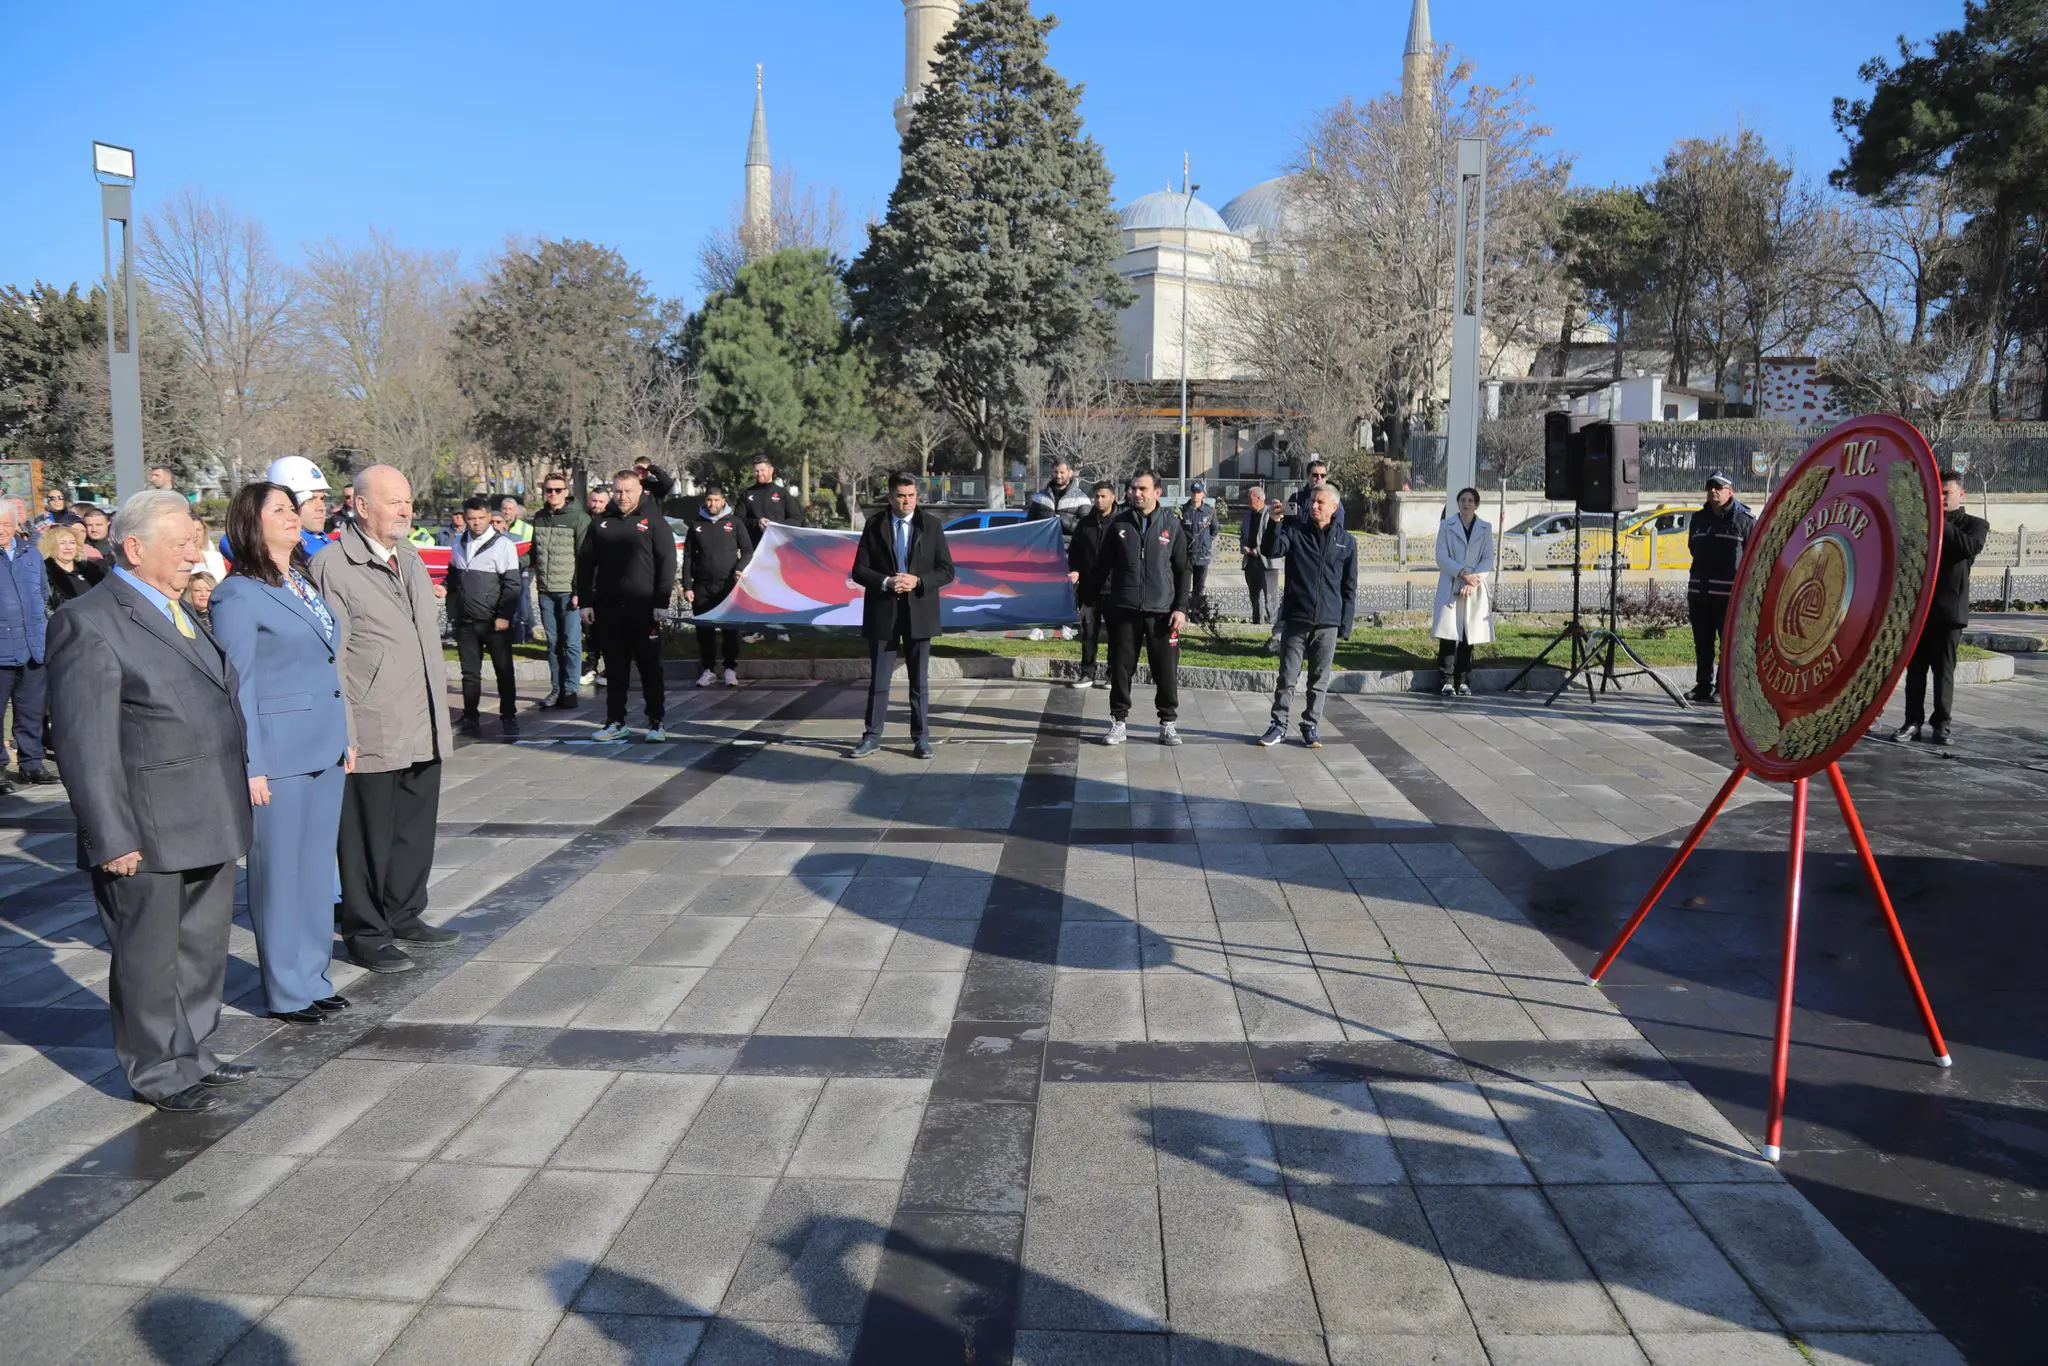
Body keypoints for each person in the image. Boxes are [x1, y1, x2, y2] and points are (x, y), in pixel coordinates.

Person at [48, 490, 256, 1112]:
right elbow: (84, 745)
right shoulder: (87, 621)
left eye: (196, 540)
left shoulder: (178, 608)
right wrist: (111, 835)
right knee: (148, 958)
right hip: (147, 825)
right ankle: (158, 1071)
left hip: (208, 812)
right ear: (134, 548)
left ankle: (192, 1052)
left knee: (201, 948)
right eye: (183, 544)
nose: (197, 554)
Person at [209, 482, 352, 1026]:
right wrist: (253, 764)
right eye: (280, 510)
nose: (294, 517)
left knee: (317, 872)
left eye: (295, 509)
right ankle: (287, 988)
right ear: (251, 522)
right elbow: (238, 685)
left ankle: (315, 975)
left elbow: (326, 665)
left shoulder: (302, 579)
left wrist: (346, 738)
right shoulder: (237, 594)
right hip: (278, 755)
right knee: (278, 878)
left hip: (325, 747)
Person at [308, 465, 458, 975]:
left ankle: (404, 911)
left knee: (414, 830)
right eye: (394, 501)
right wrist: (343, 732)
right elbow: (334, 657)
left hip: (423, 720)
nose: (405, 510)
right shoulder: (333, 565)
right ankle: (366, 931)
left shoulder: (411, 558)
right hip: (372, 726)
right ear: (361, 506)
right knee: (366, 837)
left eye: (408, 501)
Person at [850, 474, 955, 759]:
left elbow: (947, 570)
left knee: (919, 682)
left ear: (917, 496)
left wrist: (918, 581)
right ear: (890, 497)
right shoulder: (874, 525)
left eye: (910, 495)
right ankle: (871, 737)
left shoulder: (931, 525)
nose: (905, 501)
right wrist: (886, 581)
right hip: (883, 613)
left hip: (919, 613)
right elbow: (859, 570)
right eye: (900, 495)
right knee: (879, 681)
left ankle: (921, 738)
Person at [1086, 469, 1191, 747]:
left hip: (1162, 613)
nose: (1136, 493)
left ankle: (1167, 723)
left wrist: (1180, 608)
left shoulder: (1172, 524)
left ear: (1157, 492)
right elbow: (1101, 568)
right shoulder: (1119, 524)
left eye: (1142, 489)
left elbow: (1183, 570)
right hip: (1124, 610)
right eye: (1133, 488)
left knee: (1165, 671)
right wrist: (1087, 600)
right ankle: (1119, 722)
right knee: (1120, 669)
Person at [579, 468, 677, 743]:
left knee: (649, 667)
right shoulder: (601, 523)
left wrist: (662, 601)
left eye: (628, 491)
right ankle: (615, 721)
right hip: (609, 609)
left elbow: (667, 562)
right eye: (618, 491)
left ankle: (656, 722)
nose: (622, 497)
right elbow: (585, 564)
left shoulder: (653, 521)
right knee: (614, 668)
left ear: (639, 491)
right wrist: (585, 602)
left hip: (645, 609)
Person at [1255, 484, 1357, 749]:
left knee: (1319, 680)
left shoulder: (1346, 542)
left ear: (1334, 507)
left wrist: (1344, 625)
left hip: (1328, 622)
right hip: (1296, 618)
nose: (1313, 506)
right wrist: (1275, 523)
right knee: (1287, 677)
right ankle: (1278, 725)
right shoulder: (1296, 532)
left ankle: (1310, 725)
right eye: (1312, 501)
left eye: (1320, 502)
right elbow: (1271, 549)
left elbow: (1349, 586)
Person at [1895, 471, 1990, 746]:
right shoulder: (1920, 524)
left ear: (1961, 494)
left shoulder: (1976, 525)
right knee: (1915, 672)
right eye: (1935, 494)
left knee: (1943, 672)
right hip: (1919, 610)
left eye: (1945, 493)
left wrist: (1939, 521)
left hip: (1949, 612)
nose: (1940, 498)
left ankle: (1942, 724)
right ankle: (1912, 721)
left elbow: (1967, 547)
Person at [446, 495, 522, 738]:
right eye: (471, 519)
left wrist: (504, 615)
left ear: (490, 517)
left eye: (481, 518)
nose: (476, 523)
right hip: (466, 620)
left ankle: (508, 715)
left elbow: (512, 585)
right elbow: (454, 576)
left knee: (503, 669)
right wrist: (445, 589)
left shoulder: (503, 545)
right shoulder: (458, 542)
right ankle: (470, 716)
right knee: (469, 673)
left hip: (493, 621)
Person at [1686, 472, 1755, 704]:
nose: (1713, 491)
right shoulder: (1698, 520)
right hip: (1700, 593)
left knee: (1728, 644)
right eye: (1710, 487)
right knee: (1702, 643)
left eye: (1718, 487)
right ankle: (1703, 685)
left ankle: (1722, 688)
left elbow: (1753, 557)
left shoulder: (1744, 521)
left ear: (1730, 492)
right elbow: (1693, 549)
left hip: (1729, 598)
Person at [0, 504, 53, 787]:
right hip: (1, 646)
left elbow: (42, 594)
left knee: (31, 711)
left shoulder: (30, 553)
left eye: (6, 524)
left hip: (33, 645)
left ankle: (31, 764)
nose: (1, 530)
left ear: (15, 524)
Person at [529, 473, 591, 709]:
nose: (552, 494)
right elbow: (535, 553)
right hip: (545, 591)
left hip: (568, 591)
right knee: (553, 643)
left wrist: (579, 590)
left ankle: (571, 689)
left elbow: (584, 558)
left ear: (566, 491)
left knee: (571, 642)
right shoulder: (540, 518)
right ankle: (556, 688)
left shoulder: (579, 518)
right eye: (548, 490)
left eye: (557, 490)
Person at [685, 484, 754, 689]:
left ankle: (730, 669)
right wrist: (687, 585)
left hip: (728, 586)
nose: (712, 504)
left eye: (716, 500)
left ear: (723, 500)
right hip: (702, 587)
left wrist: (740, 568)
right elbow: (688, 556)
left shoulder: (734, 523)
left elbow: (748, 550)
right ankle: (708, 670)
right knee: (704, 631)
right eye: (708, 500)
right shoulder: (696, 524)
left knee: (729, 630)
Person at [1431, 487, 1494, 699]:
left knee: (1469, 635)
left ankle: (1464, 680)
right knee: (1449, 634)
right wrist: (1462, 573)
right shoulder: (1446, 526)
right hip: (1452, 583)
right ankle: (1446, 680)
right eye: (1463, 500)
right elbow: (1441, 556)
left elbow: (1487, 559)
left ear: (1476, 505)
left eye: (1470, 500)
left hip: (1474, 587)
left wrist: (1474, 580)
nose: (1466, 503)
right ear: (1458, 503)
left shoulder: (1485, 529)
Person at [1065, 481, 1116, 689]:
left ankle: (1113, 675)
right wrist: (1075, 569)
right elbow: (1075, 553)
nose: (1099, 500)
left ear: (1113, 497)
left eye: (1103, 496)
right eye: (1097, 496)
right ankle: (1087, 673)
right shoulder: (1085, 523)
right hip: (1089, 590)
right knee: (1088, 634)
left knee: (1115, 636)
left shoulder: (1121, 523)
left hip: (1114, 590)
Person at [580, 483, 612, 688]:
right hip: (586, 583)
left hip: (606, 584)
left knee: (608, 630)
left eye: (601, 501)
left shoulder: (611, 523)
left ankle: (609, 668)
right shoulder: (583, 521)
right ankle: (591, 665)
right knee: (589, 630)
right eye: (593, 500)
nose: (596, 505)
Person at [1239, 486, 1279, 626]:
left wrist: (1259, 550)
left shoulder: (1271, 513)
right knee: (1254, 595)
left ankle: (1274, 624)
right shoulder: (1247, 515)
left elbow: (1273, 536)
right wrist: (1243, 546)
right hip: (1250, 561)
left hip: (1267, 563)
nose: (1247, 500)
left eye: (1249, 497)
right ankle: (1257, 623)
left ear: (1258, 498)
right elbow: (1243, 535)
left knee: (1270, 596)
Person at [739, 458, 804, 543]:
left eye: (762, 470)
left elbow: (796, 519)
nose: (759, 474)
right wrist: (757, 523)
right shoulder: (747, 494)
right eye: (756, 471)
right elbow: (738, 519)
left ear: (771, 470)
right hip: (754, 545)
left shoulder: (782, 493)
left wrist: (775, 526)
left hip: (778, 545)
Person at [43, 523, 102, 609]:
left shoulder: (92, 570)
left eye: (72, 542)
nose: (68, 547)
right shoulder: (44, 575)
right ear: (51, 546)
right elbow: (46, 609)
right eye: (62, 543)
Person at [1027, 459, 1090, 538]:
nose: (1058, 476)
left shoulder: (1082, 499)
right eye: (1056, 472)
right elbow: (1029, 524)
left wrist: (1062, 521)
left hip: (1068, 547)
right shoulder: (1040, 496)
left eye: (1062, 472)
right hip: (1044, 546)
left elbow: (1086, 528)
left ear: (1070, 473)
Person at [1179, 481, 1219, 602]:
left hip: (1202, 555)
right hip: (1186, 555)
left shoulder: (1209, 511)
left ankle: (1196, 613)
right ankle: (1183, 612)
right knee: (1183, 586)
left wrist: (1206, 542)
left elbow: (1214, 530)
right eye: (1193, 492)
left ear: (1203, 494)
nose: (1195, 495)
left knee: (1199, 588)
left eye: (1198, 492)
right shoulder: (1182, 510)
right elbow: (1178, 530)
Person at [1294, 458, 1346, 530]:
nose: (1319, 478)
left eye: (1323, 475)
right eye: (1315, 475)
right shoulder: (1296, 498)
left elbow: (1338, 528)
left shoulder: (1332, 499)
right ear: (1308, 476)